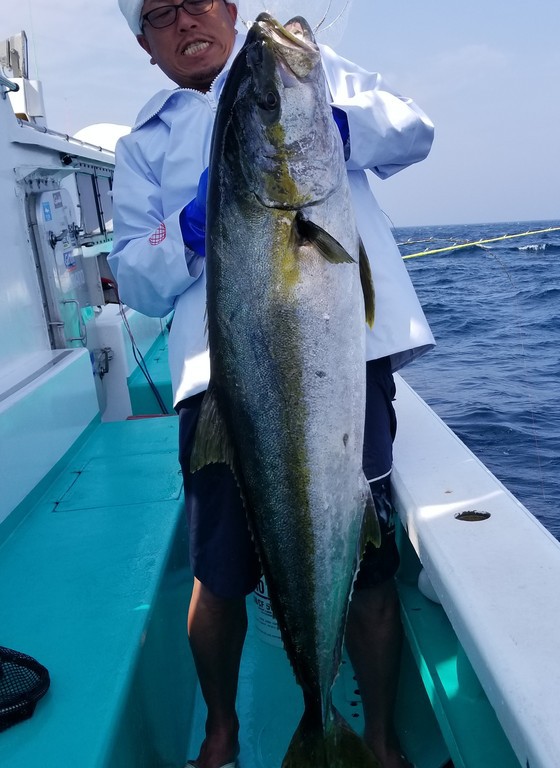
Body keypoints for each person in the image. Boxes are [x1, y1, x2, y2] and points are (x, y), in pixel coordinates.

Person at [110, 2, 435, 767]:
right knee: (217, 573)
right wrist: (187, 229)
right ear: (145, 45)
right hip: (218, 385)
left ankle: (375, 736)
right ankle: (223, 728)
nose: (185, 20)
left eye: (198, 1)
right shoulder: (140, 145)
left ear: (225, 9)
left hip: (339, 366)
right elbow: (133, 275)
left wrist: (337, 128)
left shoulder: (306, 82)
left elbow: (414, 131)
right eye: (161, 13)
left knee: (367, 563)